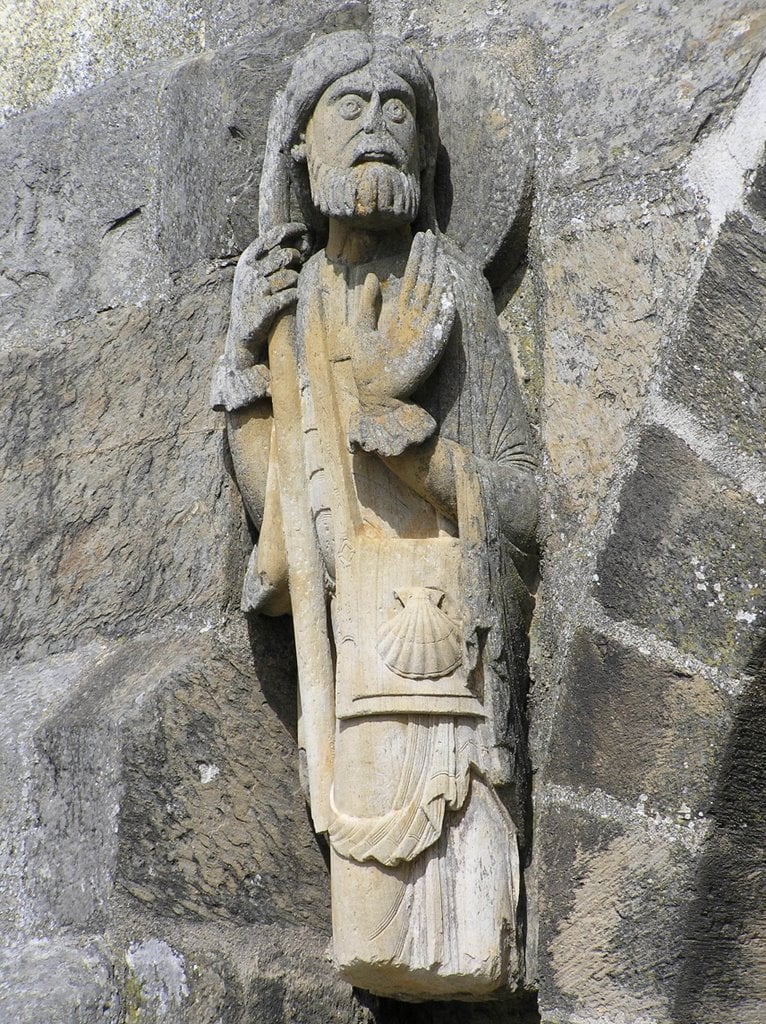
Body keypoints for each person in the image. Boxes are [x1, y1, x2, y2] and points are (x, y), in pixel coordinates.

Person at [211, 31, 537, 1000]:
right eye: (348, 109)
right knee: (376, 933)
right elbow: (277, 514)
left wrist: (428, 455)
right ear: (301, 151)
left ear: (429, 157)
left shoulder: (454, 292)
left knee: (464, 931)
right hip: (353, 676)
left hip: (448, 682)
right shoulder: (294, 308)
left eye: (400, 111)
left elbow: (528, 498)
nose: (376, 130)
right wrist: (241, 367)